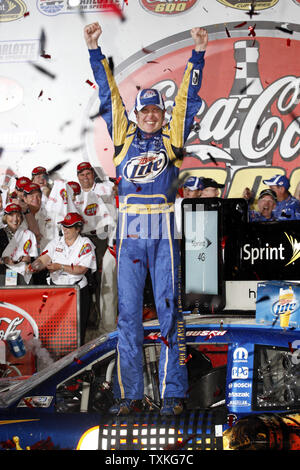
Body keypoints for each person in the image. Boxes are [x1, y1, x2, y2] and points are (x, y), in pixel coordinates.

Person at [84, 22, 208, 415]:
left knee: (171, 314)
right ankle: (131, 395)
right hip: (132, 234)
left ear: (162, 114)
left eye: (157, 110)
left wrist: (198, 56)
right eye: (146, 111)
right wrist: (94, 50)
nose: (152, 116)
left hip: (164, 235)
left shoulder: (172, 141)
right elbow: (109, 98)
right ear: (137, 114)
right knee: (129, 318)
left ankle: (173, 395)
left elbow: (187, 100)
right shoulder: (123, 139)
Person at [28, 212, 96, 344]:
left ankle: (77, 359)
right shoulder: (56, 242)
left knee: (77, 329)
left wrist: (60, 267)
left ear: (78, 228)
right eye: (63, 225)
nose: (64, 229)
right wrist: (33, 266)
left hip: (77, 291)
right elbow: (43, 259)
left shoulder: (85, 244)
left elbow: (82, 269)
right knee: (56, 328)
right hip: (56, 291)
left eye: (68, 226)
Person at [75, 161, 117, 335]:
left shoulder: (105, 189)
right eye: (82, 175)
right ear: (78, 177)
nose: (85, 177)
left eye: (88, 174)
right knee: (81, 280)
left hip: (101, 238)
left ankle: (104, 323)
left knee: (102, 281)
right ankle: (83, 321)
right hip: (81, 238)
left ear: (93, 175)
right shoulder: (73, 194)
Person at [0, 203, 38, 285]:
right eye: (11, 215)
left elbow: (35, 259)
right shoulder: (0, 234)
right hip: (3, 274)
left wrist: (30, 260)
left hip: (24, 275)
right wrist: (3, 260)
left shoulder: (28, 234)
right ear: (5, 217)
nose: (15, 219)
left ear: (21, 217)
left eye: (17, 215)